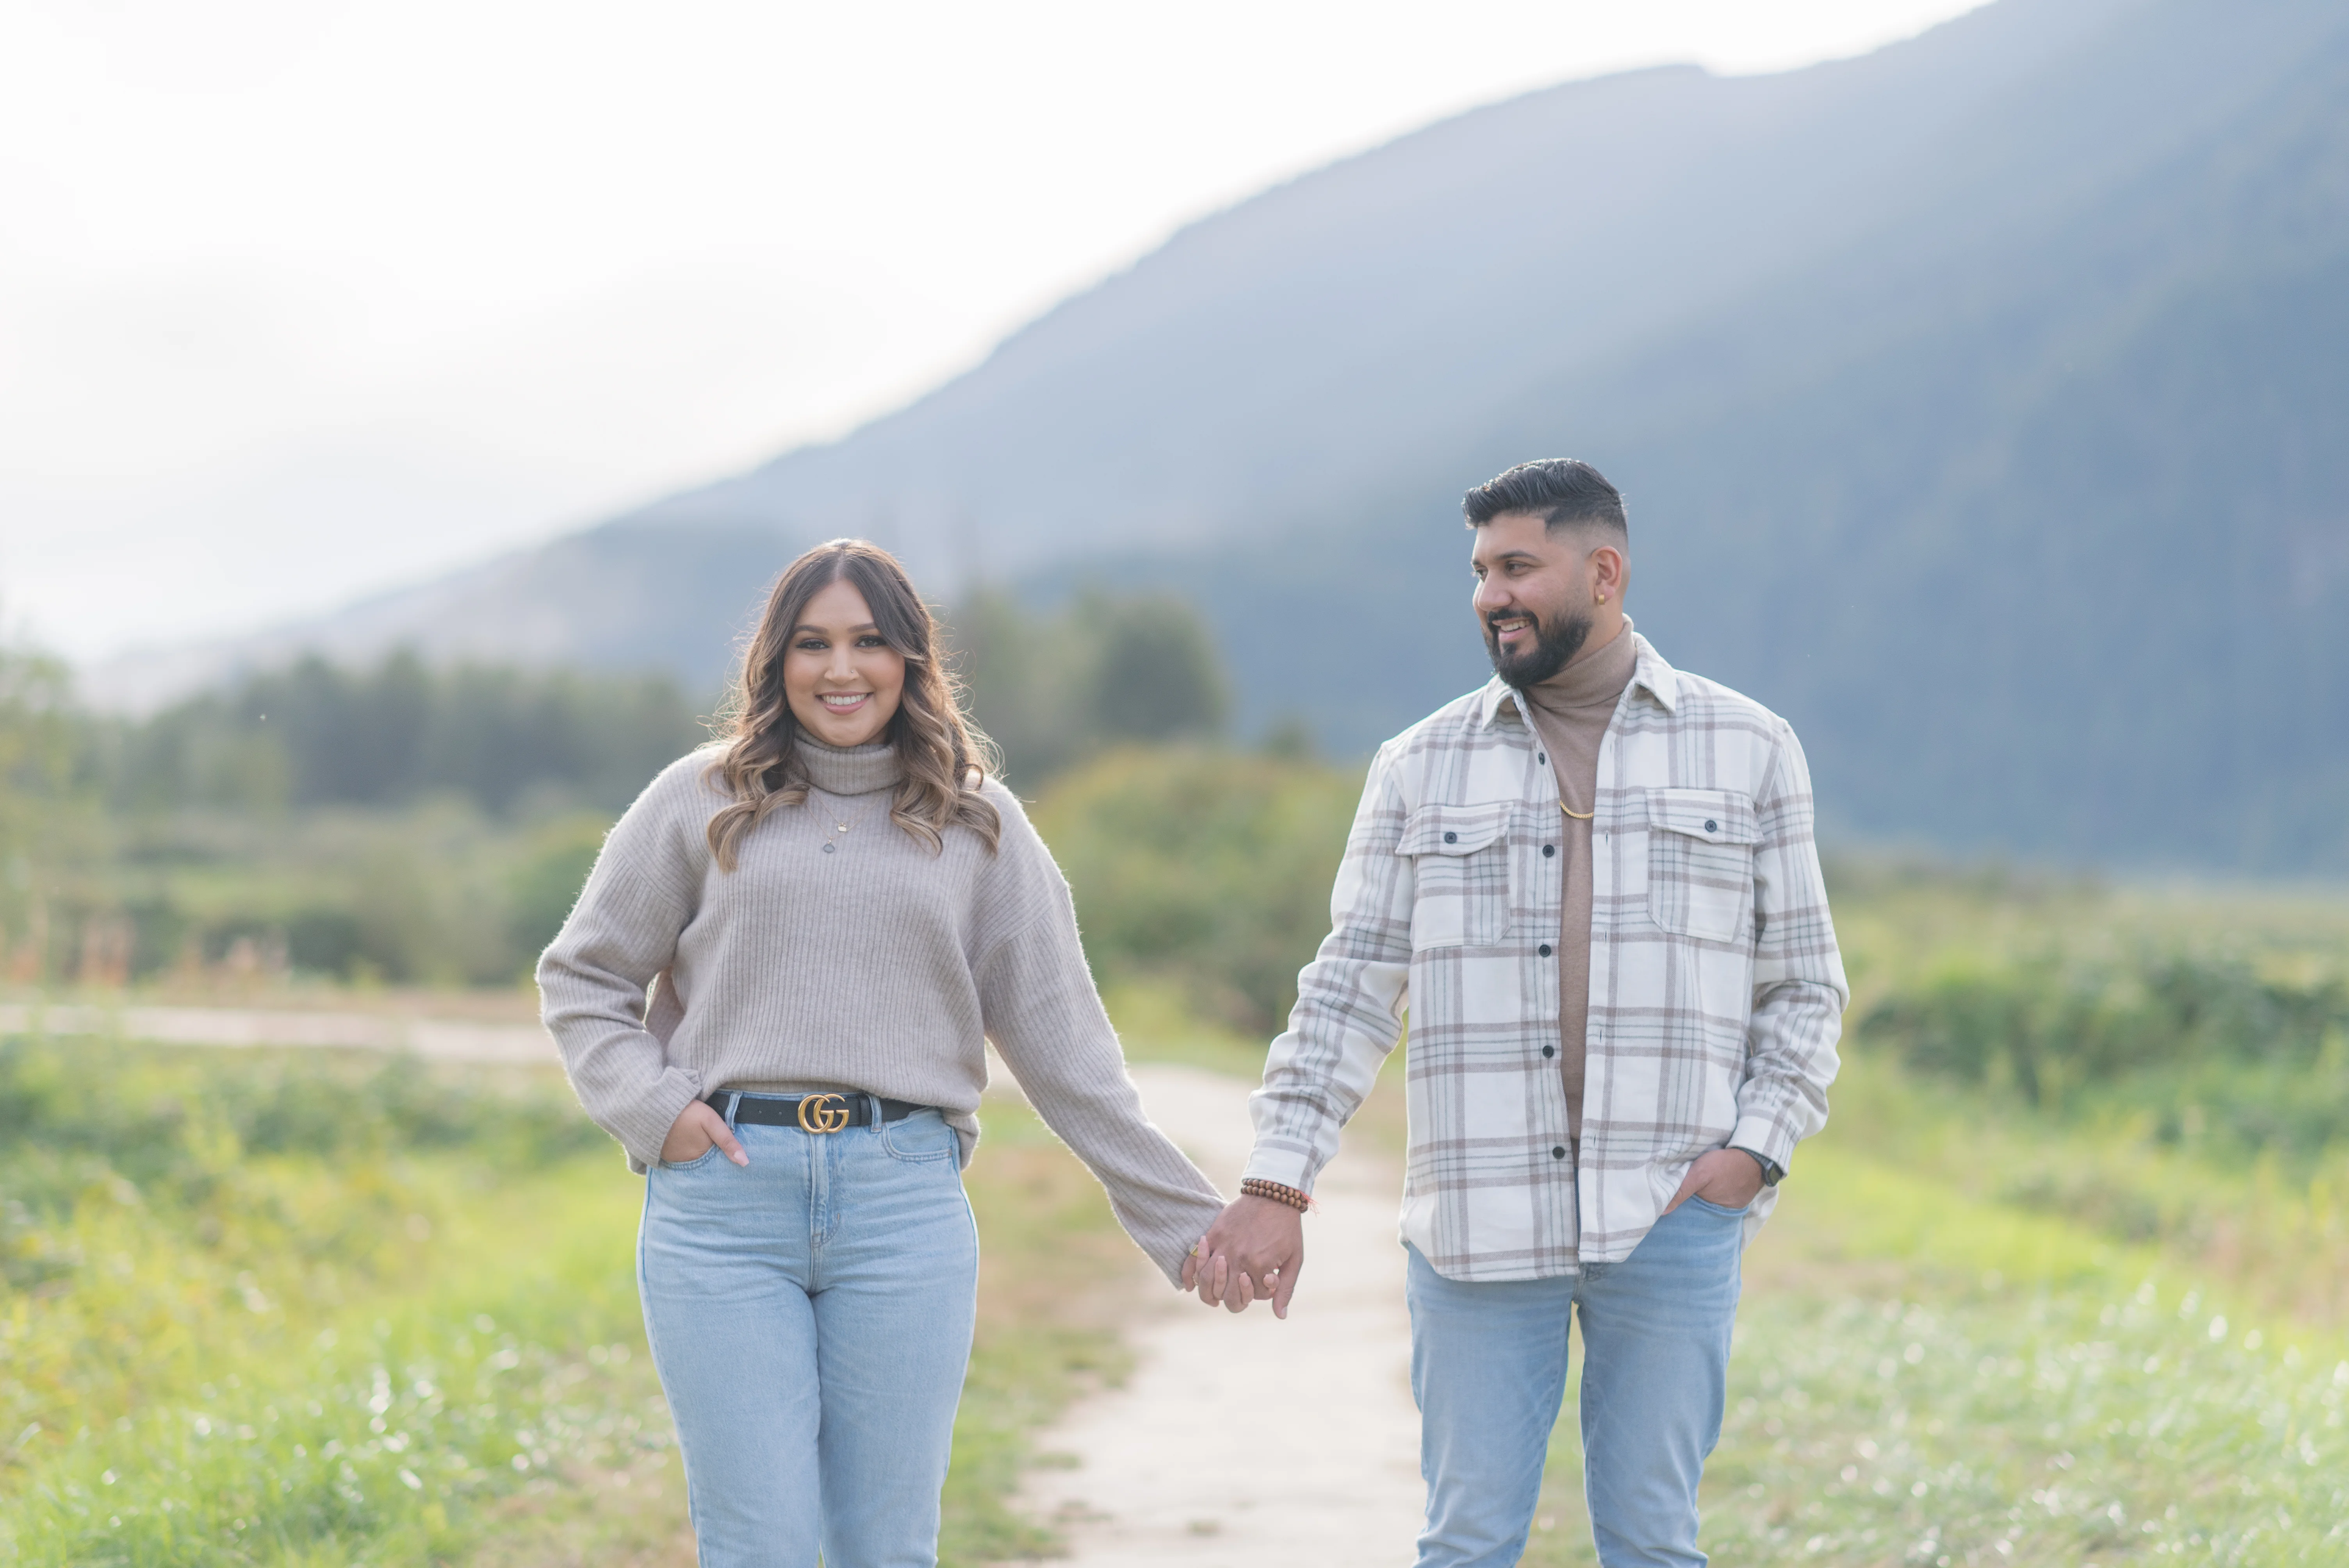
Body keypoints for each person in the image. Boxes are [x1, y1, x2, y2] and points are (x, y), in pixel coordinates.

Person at [1184, 460, 1847, 1567]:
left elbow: (1805, 985)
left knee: (1654, 1543)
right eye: (1482, 570)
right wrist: (1274, 1180)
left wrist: (1754, 1154)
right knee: (1469, 1542)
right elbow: (1348, 990)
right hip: (1478, 1226)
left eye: (1518, 567)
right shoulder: (1419, 766)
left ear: (1605, 571)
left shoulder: (1750, 749)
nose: (1493, 593)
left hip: (1674, 1217)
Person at [538, 538, 1223, 1567]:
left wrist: (1184, 1219)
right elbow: (583, 979)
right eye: (812, 645)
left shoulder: (977, 820)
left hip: (903, 1204)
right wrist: (657, 1112)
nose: (841, 669)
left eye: (869, 642)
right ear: (776, 663)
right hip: (724, 1205)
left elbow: (1066, 1051)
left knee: (887, 1545)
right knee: (760, 1541)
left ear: (911, 659)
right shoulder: (700, 799)